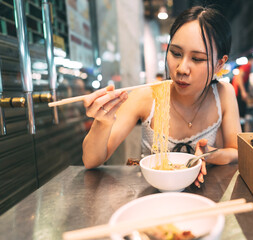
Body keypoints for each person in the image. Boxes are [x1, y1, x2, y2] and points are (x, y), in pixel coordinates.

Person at [81, 6, 241, 188]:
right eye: (175, 53)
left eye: (197, 59)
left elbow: (237, 151)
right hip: (150, 193)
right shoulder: (147, 96)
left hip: (203, 193)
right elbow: (91, 161)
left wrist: (210, 154)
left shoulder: (223, 93)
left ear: (219, 64)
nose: (181, 69)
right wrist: (103, 122)